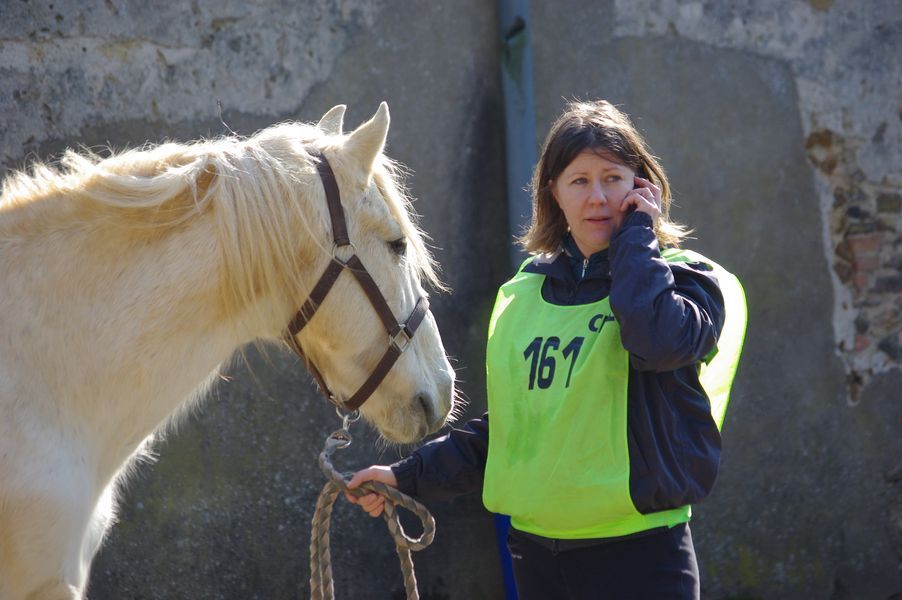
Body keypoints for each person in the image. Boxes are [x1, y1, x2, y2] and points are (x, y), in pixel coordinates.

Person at [344, 99, 746, 600]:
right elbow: (514, 432)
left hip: (642, 556)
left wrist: (637, 238)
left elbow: (656, 342)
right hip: (537, 560)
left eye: (613, 178)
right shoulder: (525, 292)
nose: (597, 196)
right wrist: (406, 476)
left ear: (642, 187)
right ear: (553, 193)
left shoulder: (690, 279)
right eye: (579, 181)